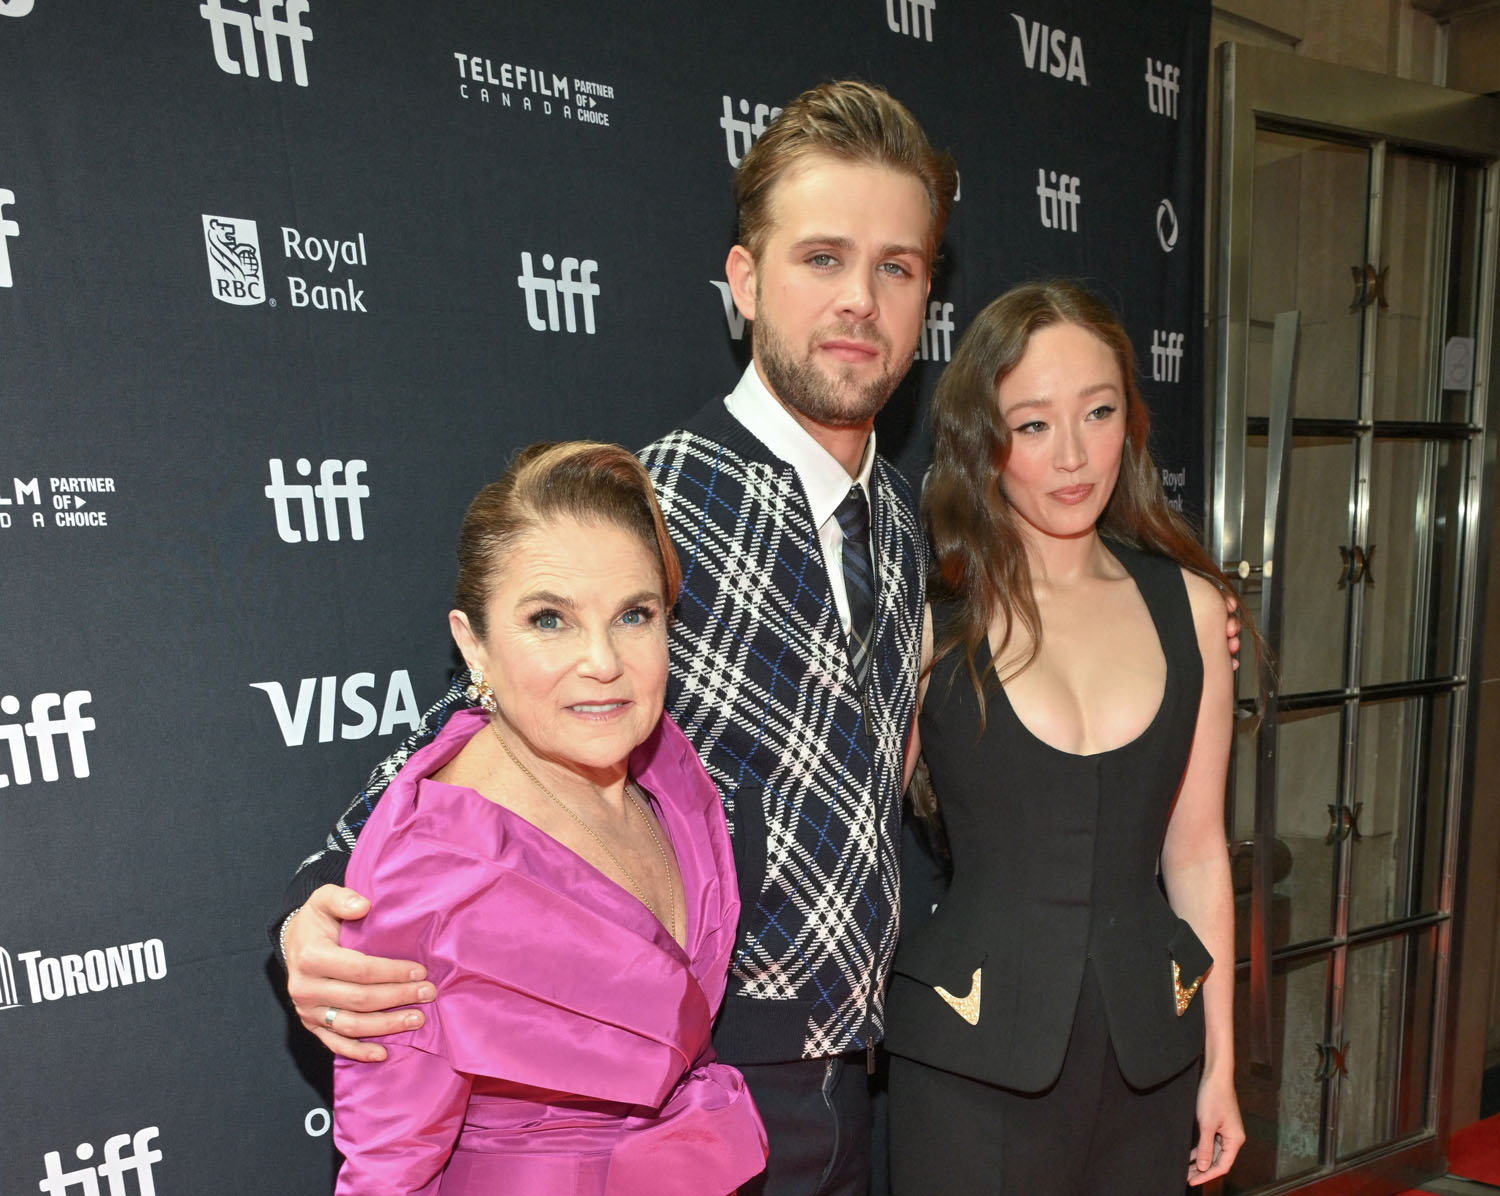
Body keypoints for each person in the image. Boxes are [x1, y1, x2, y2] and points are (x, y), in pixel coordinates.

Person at [279, 79, 956, 1196]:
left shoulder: (900, 513)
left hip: (859, 1081)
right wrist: (313, 906)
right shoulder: (656, 502)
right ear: (745, 280)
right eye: (822, 258)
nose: (859, 300)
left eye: (897, 267)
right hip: (691, 1087)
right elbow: (464, 734)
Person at [883, 281, 1246, 1193]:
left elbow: (1197, 854)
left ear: (1131, 419)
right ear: (982, 440)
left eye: (1099, 412)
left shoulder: (1194, 610)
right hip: (965, 1061)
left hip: (1150, 1057)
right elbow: (856, 836)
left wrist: (1221, 1064)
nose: (1074, 455)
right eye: (1034, 425)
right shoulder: (931, 622)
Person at [331, 441, 766, 1193]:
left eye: (634, 615)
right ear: (474, 644)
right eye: (549, 619)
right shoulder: (429, 870)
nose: (603, 661)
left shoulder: (670, 771)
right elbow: (387, 1169)